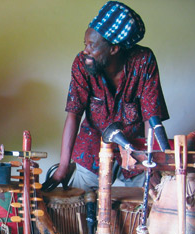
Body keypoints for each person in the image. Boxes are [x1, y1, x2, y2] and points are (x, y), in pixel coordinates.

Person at [43, 1, 169, 192]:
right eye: (85, 44)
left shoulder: (143, 61)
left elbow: (151, 117)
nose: (86, 50)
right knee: (77, 206)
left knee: (153, 200)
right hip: (92, 152)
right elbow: (74, 115)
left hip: (134, 152)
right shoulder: (81, 64)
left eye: (92, 46)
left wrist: (152, 164)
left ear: (114, 49)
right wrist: (62, 167)